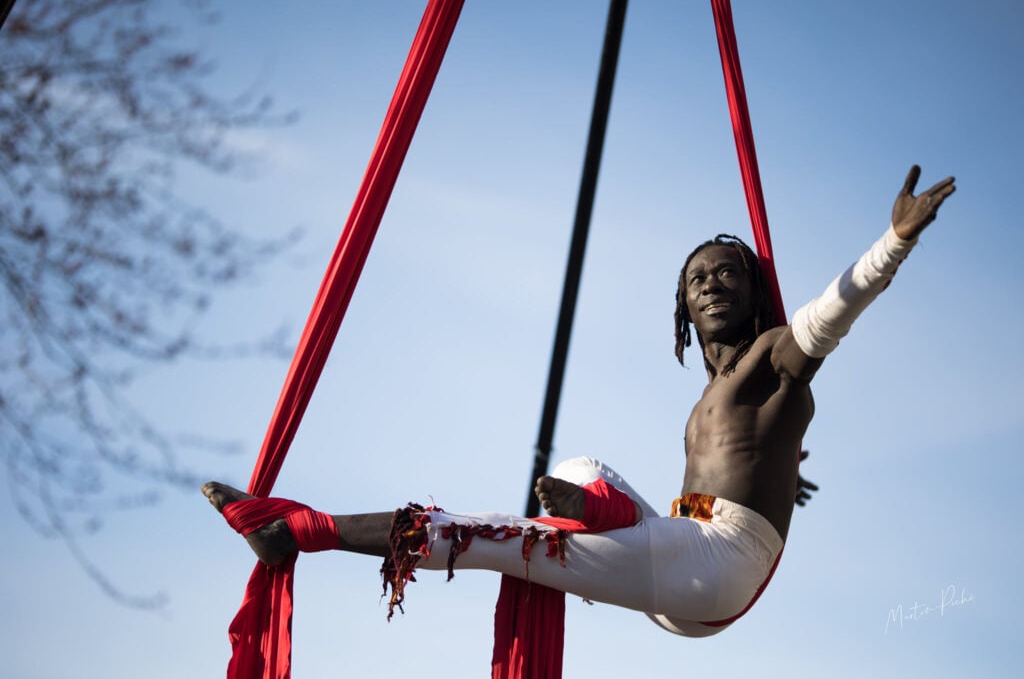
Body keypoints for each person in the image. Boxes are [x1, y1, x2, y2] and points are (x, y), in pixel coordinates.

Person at [203, 165, 955, 636]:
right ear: (682, 314)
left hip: (714, 566)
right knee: (582, 460)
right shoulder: (711, 398)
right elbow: (751, 454)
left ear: (757, 291)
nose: (711, 285)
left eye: (728, 273)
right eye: (697, 281)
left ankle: (302, 529)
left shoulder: (774, 359)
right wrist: (784, 468)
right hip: (678, 542)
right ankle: (593, 506)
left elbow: (830, 314)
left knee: (499, 532)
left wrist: (892, 245)